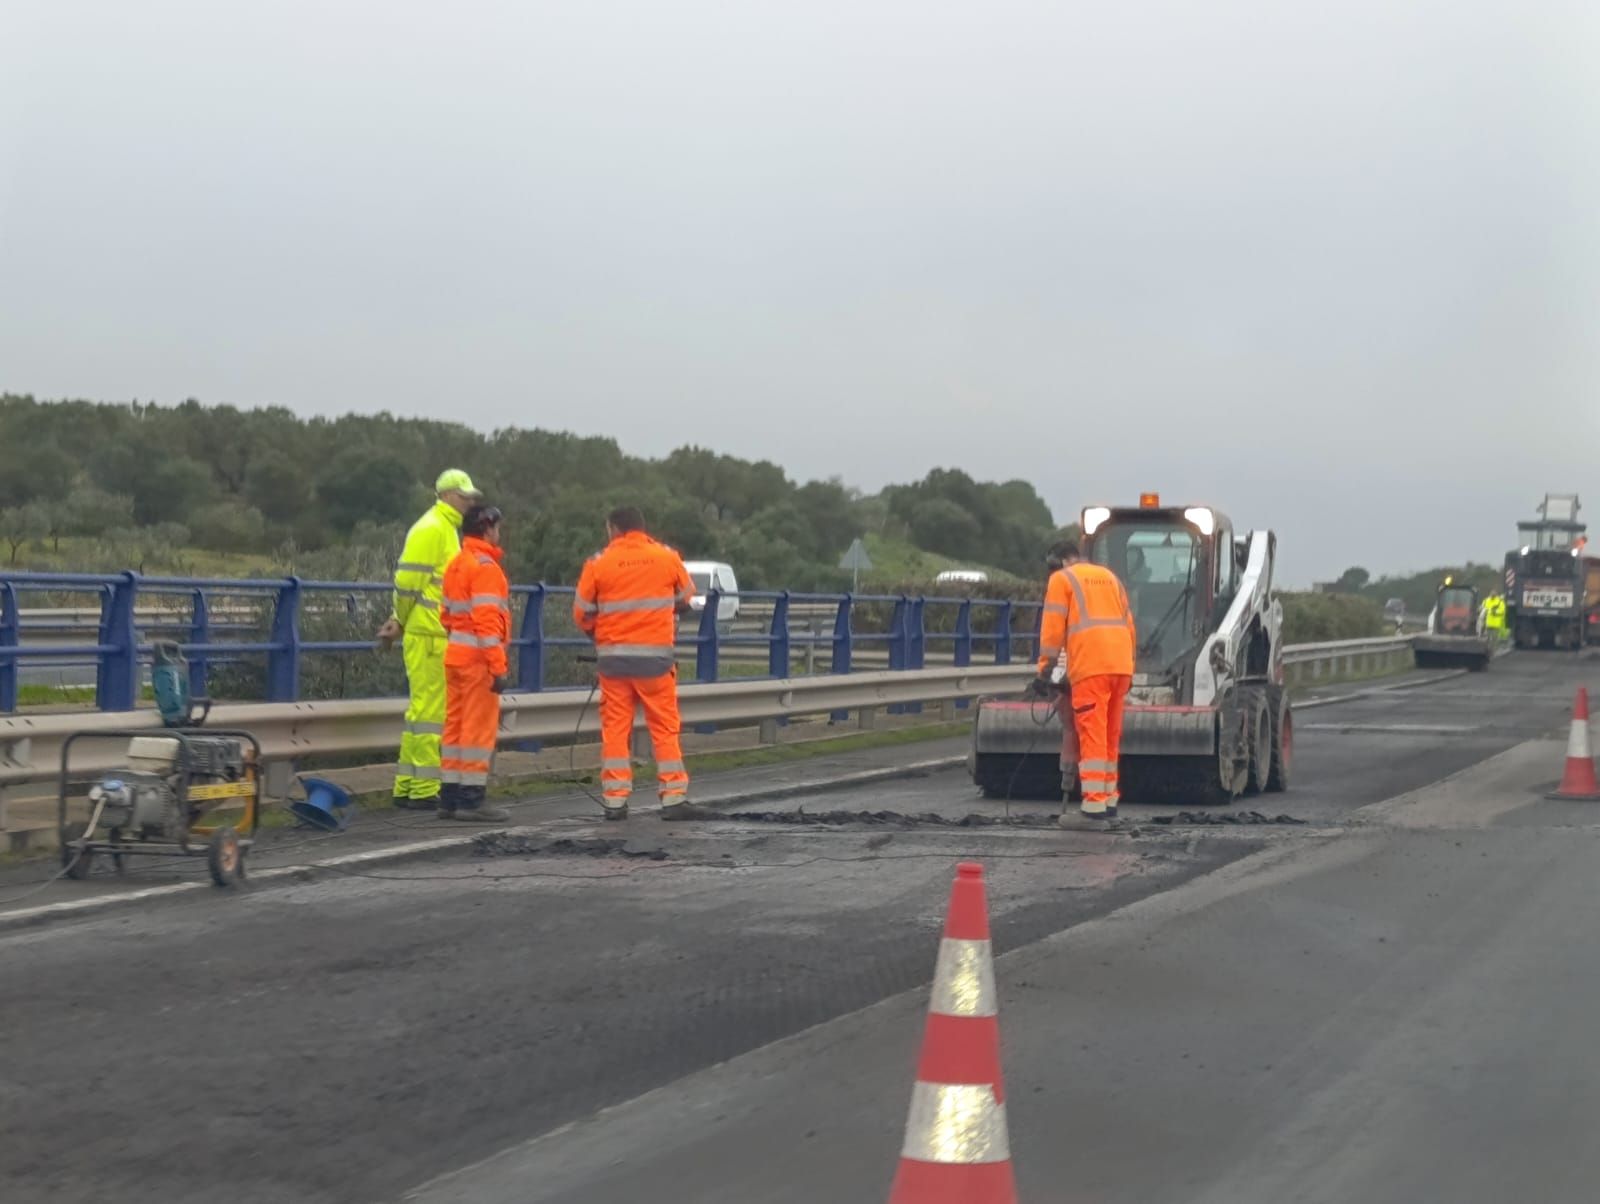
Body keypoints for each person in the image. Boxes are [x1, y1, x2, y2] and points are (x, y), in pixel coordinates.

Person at [573, 506, 699, 820]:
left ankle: (615, 800)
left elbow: (581, 613)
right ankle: (673, 797)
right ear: (641, 527)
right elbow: (687, 598)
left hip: (614, 662)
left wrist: (598, 635)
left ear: (613, 529)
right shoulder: (667, 557)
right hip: (655, 662)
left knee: (615, 730)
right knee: (664, 728)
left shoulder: (598, 563)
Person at [376, 469, 482, 809]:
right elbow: (408, 582)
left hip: (430, 631)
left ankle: (407, 785)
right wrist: (400, 620)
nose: (469, 501)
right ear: (447, 494)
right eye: (464, 496)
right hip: (428, 633)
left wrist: (402, 619)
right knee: (431, 714)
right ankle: (423, 790)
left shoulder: (445, 528)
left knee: (421, 713)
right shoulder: (433, 528)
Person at [1035, 540, 1136, 831]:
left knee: (1091, 735)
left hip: (1091, 668)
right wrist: (1128, 664)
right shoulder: (1110, 578)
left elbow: (1052, 630)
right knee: (1108, 736)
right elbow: (1129, 626)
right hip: (1121, 666)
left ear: (1063, 561)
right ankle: (1108, 801)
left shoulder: (1062, 579)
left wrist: (1046, 671)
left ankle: (1092, 808)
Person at [438, 505, 512, 822]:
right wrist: (498, 667)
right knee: (477, 731)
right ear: (487, 529)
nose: (499, 533)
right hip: (478, 661)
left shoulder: (456, 564)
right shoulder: (486, 568)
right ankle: (472, 800)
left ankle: (450, 797)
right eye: (497, 528)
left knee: (454, 728)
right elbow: (487, 623)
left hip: (455, 655)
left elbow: (445, 615)